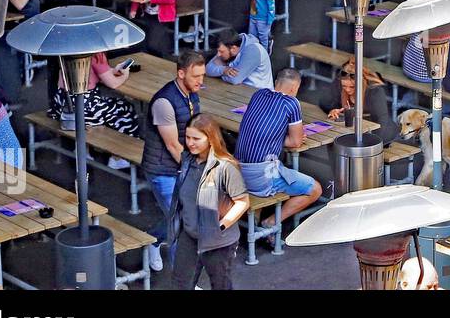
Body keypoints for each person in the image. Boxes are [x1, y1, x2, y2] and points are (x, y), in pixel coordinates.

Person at [140, 49, 205, 273]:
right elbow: (172, 145)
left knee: (179, 217)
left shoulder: (191, 93)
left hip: (181, 166)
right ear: (180, 74)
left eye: (202, 75)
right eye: (196, 76)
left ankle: (153, 239)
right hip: (162, 171)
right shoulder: (164, 102)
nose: (200, 81)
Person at [234, 68, 322, 235]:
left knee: (278, 167)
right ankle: (271, 221)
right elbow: (295, 142)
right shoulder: (291, 103)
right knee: (315, 189)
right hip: (261, 178)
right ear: (294, 89)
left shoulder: (258, 95)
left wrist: (272, 138)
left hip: (237, 171)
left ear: (276, 83)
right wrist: (279, 138)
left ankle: (256, 219)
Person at [169, 114, 249, 290]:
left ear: (210, 138)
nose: (190, 142)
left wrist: (220, 225)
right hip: (189, 235)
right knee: (180, 284)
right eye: (188, 137)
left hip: (219, 241)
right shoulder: (187, 160)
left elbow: (242, 202)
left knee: (220, 285)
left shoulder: (226, 167)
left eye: (196, 138)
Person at [48, 51, 139, 168]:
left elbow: (91, 74)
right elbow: (113, 84)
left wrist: (111, 71)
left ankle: (82, 150)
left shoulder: (67, 49)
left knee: (107, 106)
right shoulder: (95, 53)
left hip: (62, 105)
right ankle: (118, 157)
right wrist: (125, 74)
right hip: (83, 109)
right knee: (125, 108)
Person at [322, 58, 398, 144]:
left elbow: (381, 119)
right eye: (344, 86)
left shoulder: (375, 92)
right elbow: (324, 102)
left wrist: (373, 143)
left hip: (375, 129)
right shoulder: (339, 83)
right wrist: (333, 110)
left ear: (360, 83)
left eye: (352, 87)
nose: (347, 89)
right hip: (352, 129)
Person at [205, 29, 274, 91]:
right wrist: (224, 70)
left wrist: (218, 73)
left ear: (233, 49)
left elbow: (235, 79)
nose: (218, 55)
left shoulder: (252, 50)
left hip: (262, 97)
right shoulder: (229, 44)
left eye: (221, 51)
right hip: (240, 92)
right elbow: (207, 69)